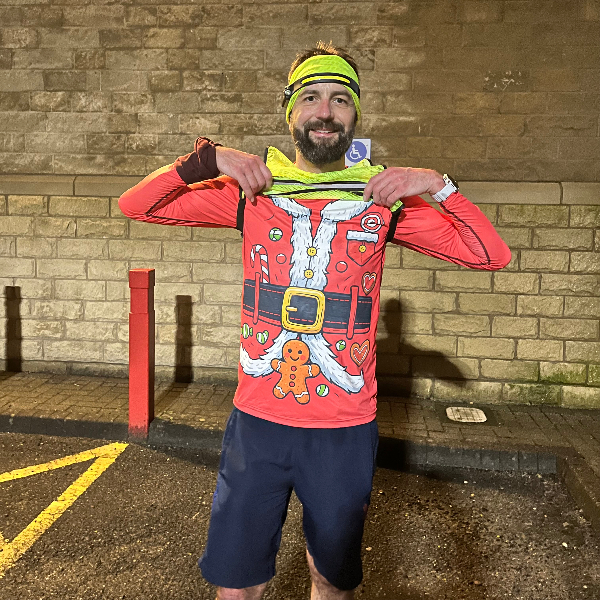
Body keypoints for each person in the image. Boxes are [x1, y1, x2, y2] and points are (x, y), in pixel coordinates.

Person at [119, 42, 511, 600]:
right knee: (236, 587)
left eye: (339, 100)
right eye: (310, 98)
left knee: (330, 581)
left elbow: (489, 254)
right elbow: (136, 204)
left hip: (343, 431)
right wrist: (205, 161)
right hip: (258, 424)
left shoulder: (382, 198)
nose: (324, 112)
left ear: (355, 115)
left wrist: (436, 184)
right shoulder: (252, 192)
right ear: (290, 112)